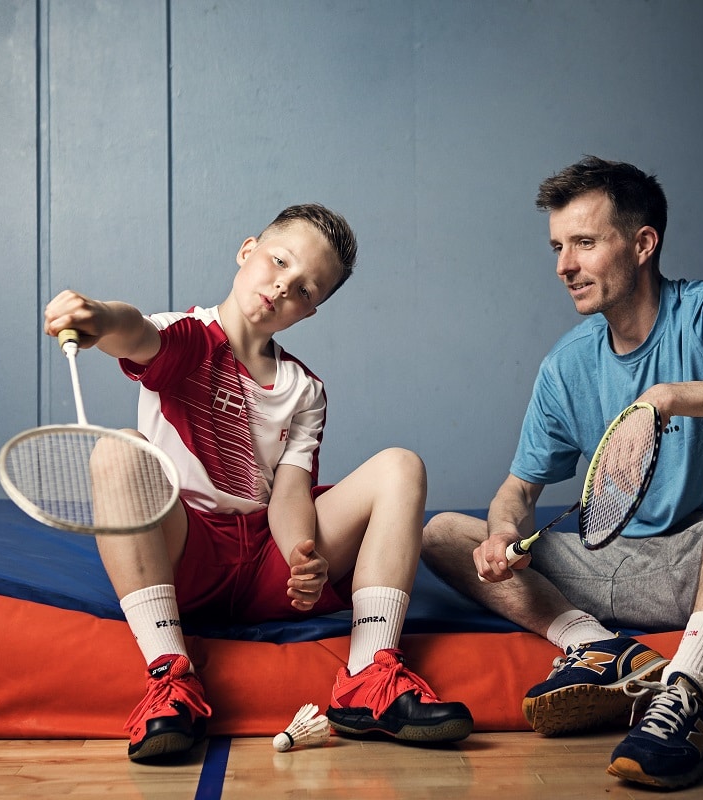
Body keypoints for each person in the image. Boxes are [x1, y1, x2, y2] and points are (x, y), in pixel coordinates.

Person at [421, 157, 703, 790]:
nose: (563, 266)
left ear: (643, 244)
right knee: (444, 534)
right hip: (631, 566)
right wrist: (504, 532)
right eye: (558, 247)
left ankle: (690, 690)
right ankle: (599, 649)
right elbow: (519, 490)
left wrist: (672, 396)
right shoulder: (565, 366)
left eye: (584, 243)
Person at [44, 203, 472, 762]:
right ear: (247, 251)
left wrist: (302, 553)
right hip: (187, 553)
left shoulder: (305, 390)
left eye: (304, 290)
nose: (282, 287)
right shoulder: (187, 338)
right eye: (278, 261)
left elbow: (291, 488)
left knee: (401, 465)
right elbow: (135, 330)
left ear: (310, 312)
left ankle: (369, 677)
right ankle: (171, 679)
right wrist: (98, 316)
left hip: (267, 564)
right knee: (117, 450)